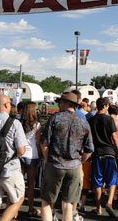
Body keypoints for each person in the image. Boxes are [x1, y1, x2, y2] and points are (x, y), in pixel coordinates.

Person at [40, 92, 94, 221]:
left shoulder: (55, 118)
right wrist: (80, 162)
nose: (59, 104)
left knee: (46, 203)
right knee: (68, 204)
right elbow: (90, 149)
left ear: (67, 103)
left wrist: (48, 160)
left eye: (61, 102)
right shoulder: (83, 121)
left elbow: (44, 143)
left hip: (55, 164)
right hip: (74, 166)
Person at [88, 97, 118, 217]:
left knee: (97, 182)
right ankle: (109, 203)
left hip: (96, 153)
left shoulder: (91, 120)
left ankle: (98, 207)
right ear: (106, 106)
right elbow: (114, 136)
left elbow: (88, 137)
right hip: (109, 152)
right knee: (112, 180)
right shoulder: (109, 119)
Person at [20, 102, 41, 217]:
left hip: (21, 154)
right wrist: (40, 156)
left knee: (19, 184)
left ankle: (15, 208)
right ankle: (30, 208)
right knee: (31, 184)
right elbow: (37, 142)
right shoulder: (37, 125)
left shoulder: (19, 123)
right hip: (32, 155)